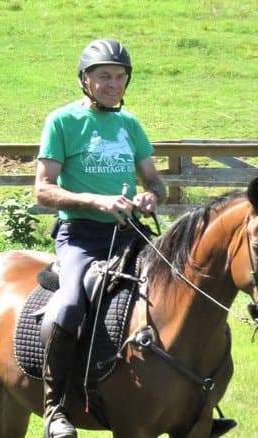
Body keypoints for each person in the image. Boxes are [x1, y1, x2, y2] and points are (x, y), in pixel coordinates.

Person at [33, 39, 166, 438]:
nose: (113, 84)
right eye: (104, 76)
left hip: (132, 234)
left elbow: (156, 180)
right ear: (85, 81)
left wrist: (150, 196)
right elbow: (42, 190)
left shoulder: (130, 125)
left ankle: (197, 400)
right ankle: (55, 408)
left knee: (180, 290)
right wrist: (95, 200)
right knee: (71, 304)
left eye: (120, 76)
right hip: (81, 235)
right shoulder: (62, 121)